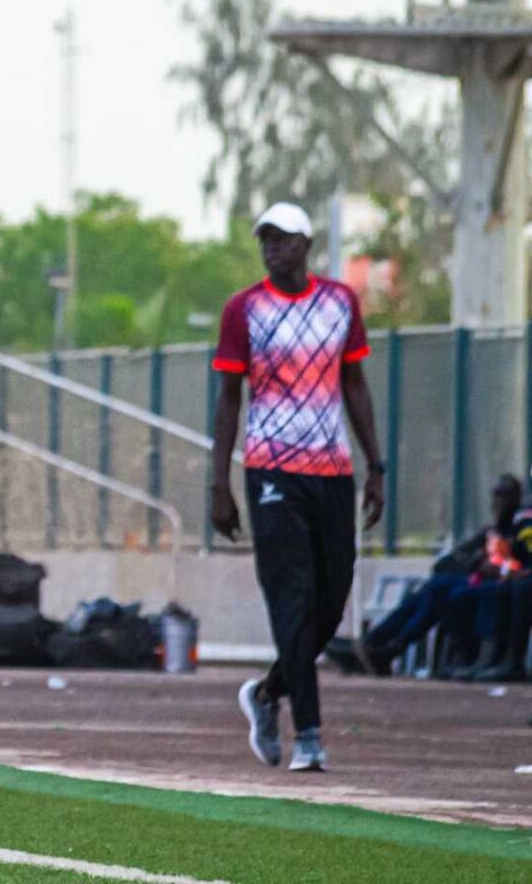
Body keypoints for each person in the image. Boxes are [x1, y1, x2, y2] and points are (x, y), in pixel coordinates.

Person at [211, 202, 385, 774]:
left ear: (306, 245)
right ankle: (309, 736)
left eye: (282, 239)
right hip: (271, 471)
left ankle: (267, 694)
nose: (272, 249)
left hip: (332, 472)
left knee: (330, 604)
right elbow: (228, 400)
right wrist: (220, 483)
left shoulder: (340, 303)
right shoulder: (244, 310)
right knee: (293, 601)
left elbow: (354, 384)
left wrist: (376, 467)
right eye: (265, 240)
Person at [361, 475, 521, 674]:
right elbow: (457, 560)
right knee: (433, 589)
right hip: (475, 580)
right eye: (496, 497)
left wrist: (500, 568)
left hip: (499, 585)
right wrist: (477, 560)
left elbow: (518, 565)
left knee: (440, 595)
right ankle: (376, 643)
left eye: (504, 497)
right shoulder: (490, 532)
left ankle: (390, 648)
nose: (497, 503)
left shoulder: (520, 531)